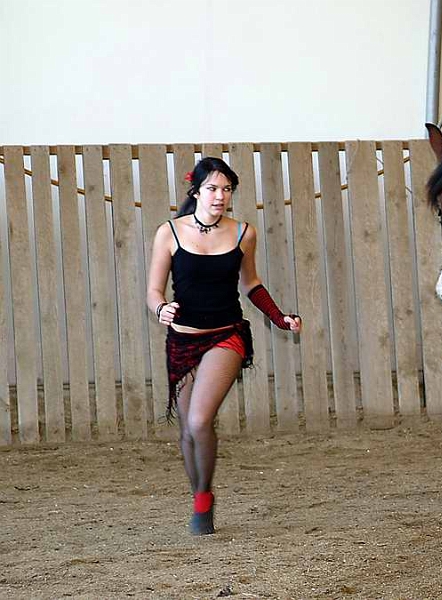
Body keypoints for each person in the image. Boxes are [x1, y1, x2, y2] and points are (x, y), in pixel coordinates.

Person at [147, 156, 301, 535]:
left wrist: (279, 317)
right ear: (196, 191)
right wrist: (162, 308)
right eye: (213, 188)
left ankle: (203, 503)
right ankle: (201, 495)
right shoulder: (169, 232)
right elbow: (153, 290)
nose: (220, 196)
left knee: (200, 420)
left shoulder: (243, 232)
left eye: (227, 189)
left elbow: (251, 284)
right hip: (182, 340)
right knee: (188, 430)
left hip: (226, 334)